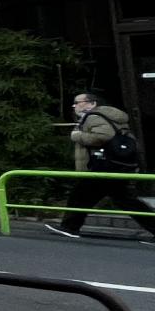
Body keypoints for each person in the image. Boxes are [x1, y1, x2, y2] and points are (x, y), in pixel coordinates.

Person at [47, 90, 155, 240]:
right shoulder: (109, 116)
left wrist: (77, 136)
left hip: (102, 166)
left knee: (80, 196)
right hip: (114, 165)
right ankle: (70, 227)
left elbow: (103, 136)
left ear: (92, 104)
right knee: (125, 201)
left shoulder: (94, 117)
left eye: (78, 102)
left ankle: (69, 227)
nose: (74, 106)